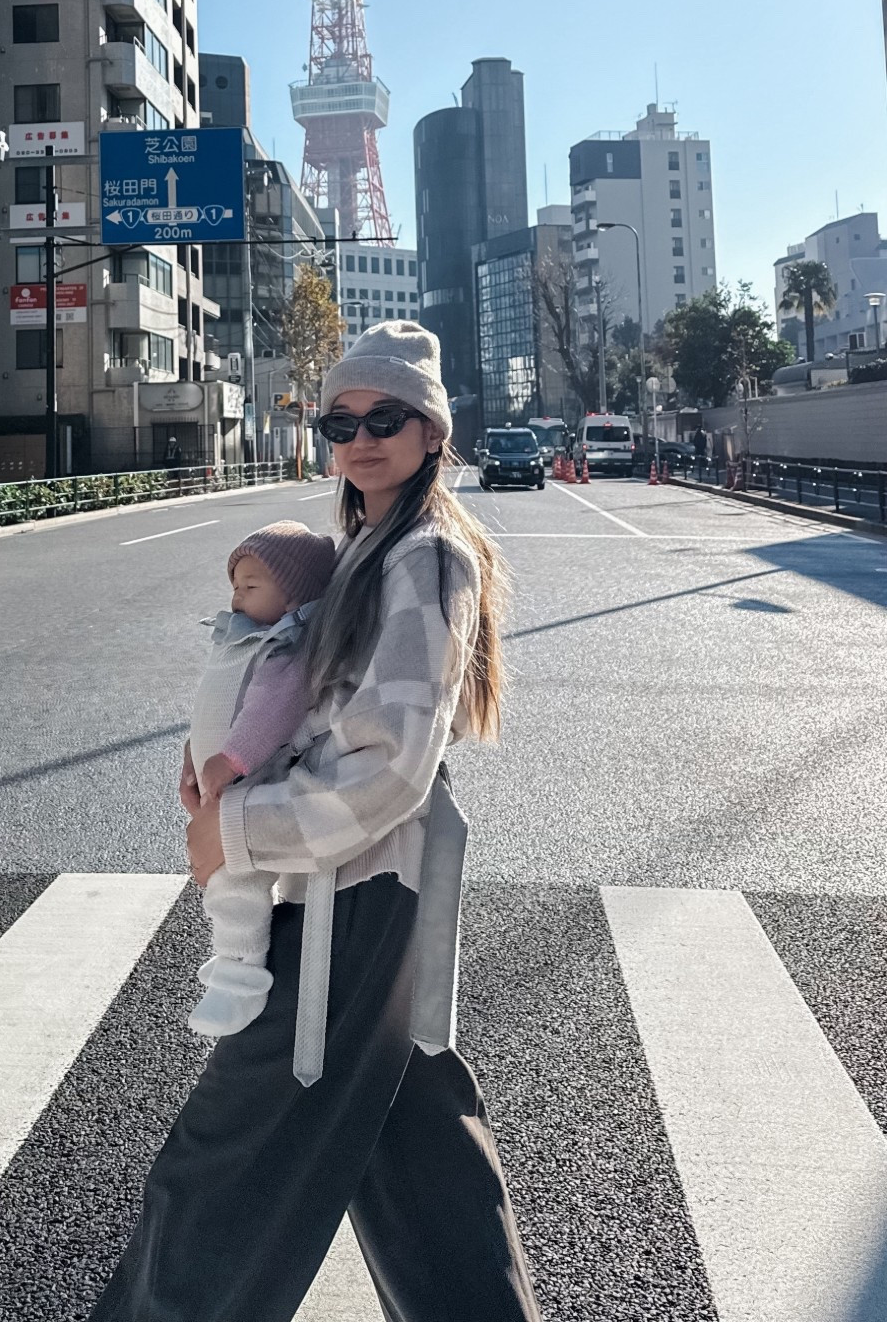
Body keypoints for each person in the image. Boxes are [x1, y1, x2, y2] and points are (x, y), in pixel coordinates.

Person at [88, 321, 542, 1322]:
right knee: (423, 1169)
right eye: (342, 419)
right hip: (366, 888)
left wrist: (238, 827)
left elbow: (391, 767)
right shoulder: (370, 549)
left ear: (432, 431)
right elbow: (304, 697)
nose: (361, 435)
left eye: (388, 417)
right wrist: (224, 758)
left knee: (218, 1169)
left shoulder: (423, 554)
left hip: (359, 894)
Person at [187, 521, 338, 1038]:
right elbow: (215, 697)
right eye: (235, 584)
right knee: (223, 874)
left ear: (294, 595)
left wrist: (229, 760)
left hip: (250, 777)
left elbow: (270, 713)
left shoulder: (283, 647)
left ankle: (239, 973)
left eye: (251, 586)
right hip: (218, 775)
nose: (237, 594)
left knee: (237, 876)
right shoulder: (240, 634)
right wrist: (193, 750)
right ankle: (233, 964)